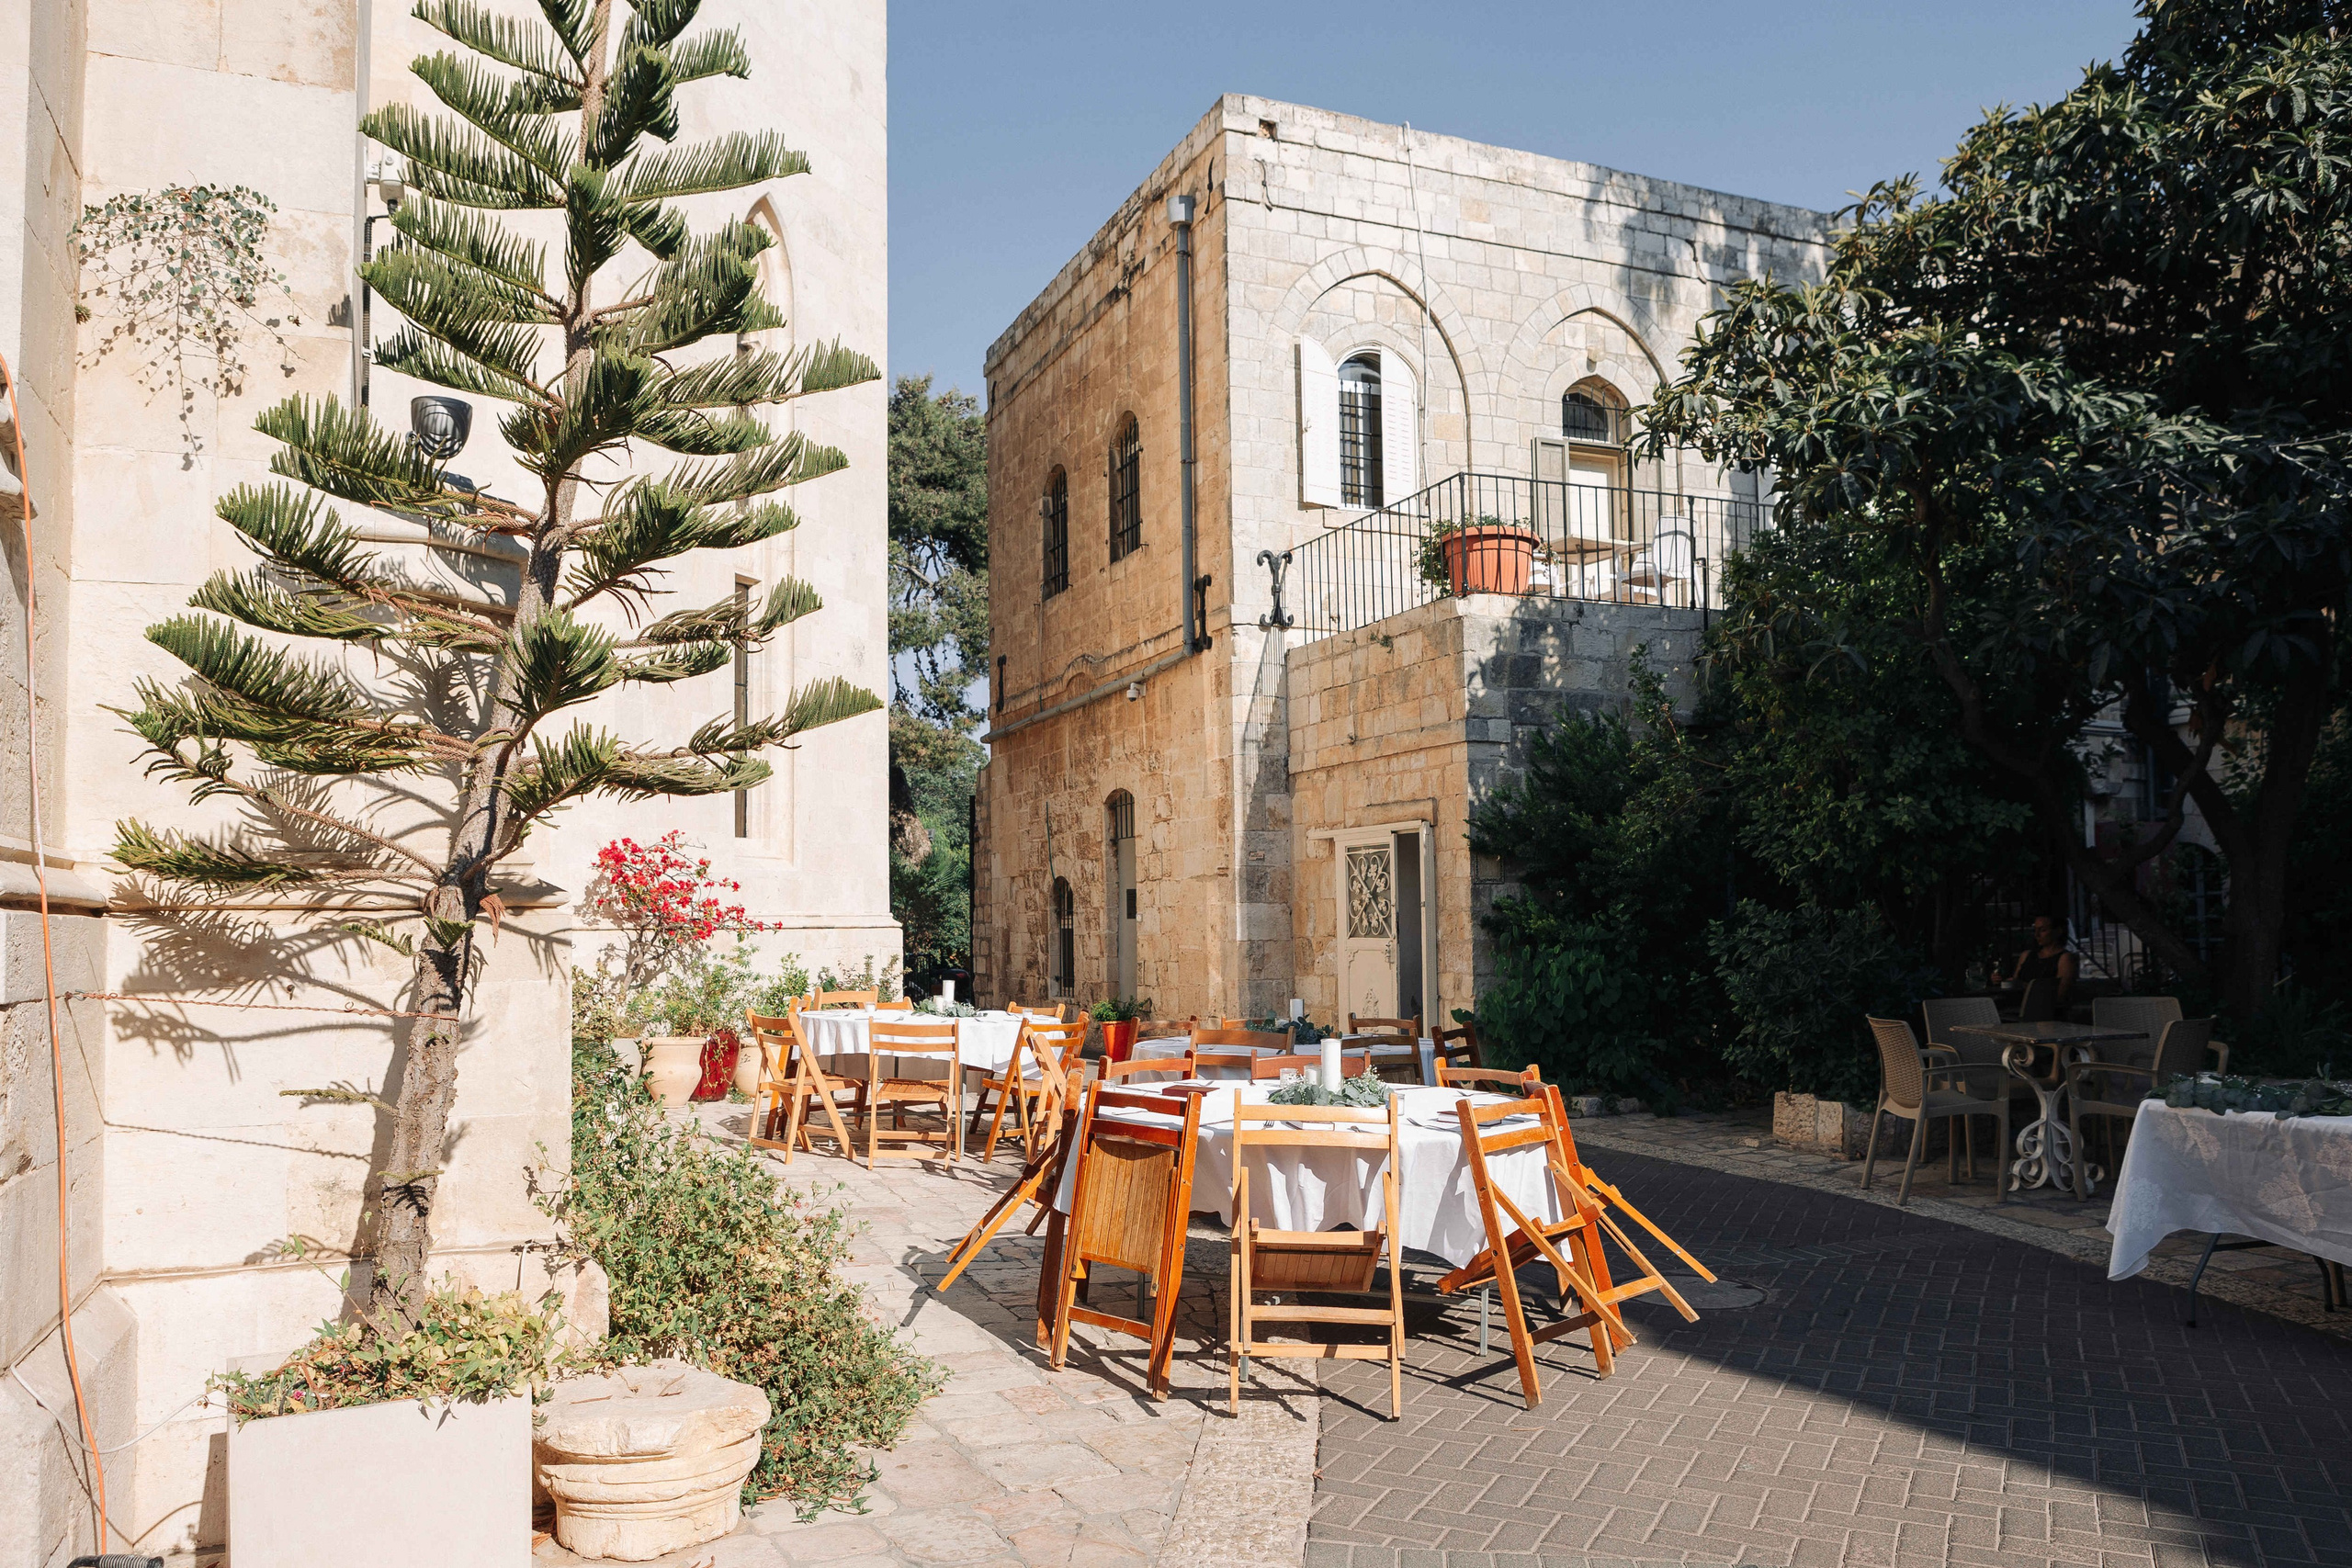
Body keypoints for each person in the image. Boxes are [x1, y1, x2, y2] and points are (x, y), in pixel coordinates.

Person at [1996, 912, 2078, 1009]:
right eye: (2035, 930)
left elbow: (2060, 995)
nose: (2037, 935)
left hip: (2044, 1010)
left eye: (2043, 930)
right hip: (2017, 1005)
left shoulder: (2065, 959)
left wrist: (2025, 986)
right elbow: (2014, 983)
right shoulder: (2026, 955)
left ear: (2058, 931)